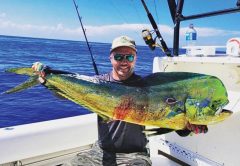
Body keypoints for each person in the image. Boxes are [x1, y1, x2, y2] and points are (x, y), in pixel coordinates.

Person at [32, 35, 208, 166]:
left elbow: (168, 116)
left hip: (136, 155)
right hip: (100, 151)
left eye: (129, 57)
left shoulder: (147, 86)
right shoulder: (98, 83)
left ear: (135, 59)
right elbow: (65, 93)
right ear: (110, 58)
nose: (124, 61)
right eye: (119, 57)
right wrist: (47, 80)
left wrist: (186, 127)